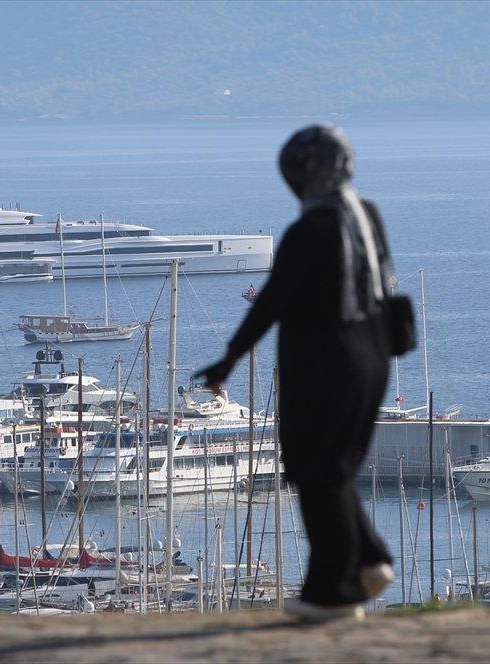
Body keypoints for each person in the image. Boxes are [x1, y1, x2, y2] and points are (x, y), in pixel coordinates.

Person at [195, 124, 395, 621]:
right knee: (335, 471)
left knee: (314, 473)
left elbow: (273, 302)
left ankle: (334, 594)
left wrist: (229, 358)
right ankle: (370, 561)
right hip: (374, 358)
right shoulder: (367, 218)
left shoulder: (309, 230)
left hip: (325, 364)